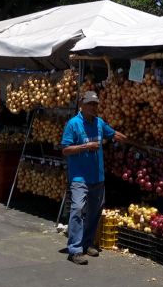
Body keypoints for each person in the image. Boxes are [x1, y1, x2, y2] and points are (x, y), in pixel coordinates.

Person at [61, 91, 145, 265]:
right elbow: (65, 150)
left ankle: (87, 242)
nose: (93, 107)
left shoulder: (99, 123)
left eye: (95, 104)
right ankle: (75, 250)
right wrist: (86, 146)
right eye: (90, 104)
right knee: (77, 209)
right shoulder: (73, 124)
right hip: (79, 177)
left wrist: (136, 143)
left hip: (97, 177)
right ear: (81, 104)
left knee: (95, 211)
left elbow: (114, 134)